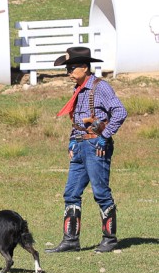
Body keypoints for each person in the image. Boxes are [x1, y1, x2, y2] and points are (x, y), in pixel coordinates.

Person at [46, 46, 127, 254]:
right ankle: (70, 241)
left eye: (72, 68)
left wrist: (105, 136)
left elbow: (119, 112)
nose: (69, 73)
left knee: (101, 193)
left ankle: (110, 239)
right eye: (67, 69)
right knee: (71, 193)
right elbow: (78, 121)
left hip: (96, 146)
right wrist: (73, 140)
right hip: (80, 145)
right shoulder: (78, 89)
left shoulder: (101, 87)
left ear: (84, 67)